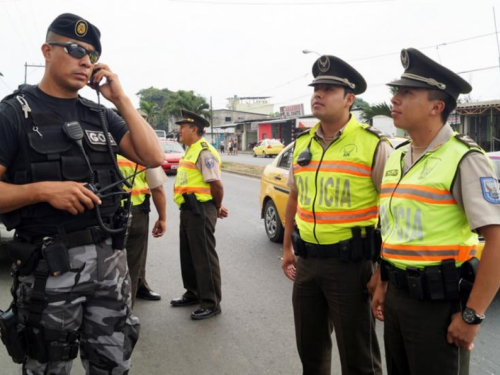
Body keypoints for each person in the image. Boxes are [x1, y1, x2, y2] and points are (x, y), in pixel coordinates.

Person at [0, 13, 164, 374]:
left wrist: (120, 98)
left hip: (110, 267)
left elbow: (153, 155)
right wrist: (42, 191)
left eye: (91, 54)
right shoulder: (14, 114)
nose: (86, 60)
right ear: (46, 50)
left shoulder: (101, 116)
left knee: (113, 365)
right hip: (50, 270)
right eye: (75, 49)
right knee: (47, 367)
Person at [371, 48, 500, 375]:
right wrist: (383, 282)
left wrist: (472, 316)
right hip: (398, 298)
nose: (395, 99)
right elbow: (391, 231)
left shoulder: (464, 158)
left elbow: (497, 243)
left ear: (436, 106)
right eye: (396, 91)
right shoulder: (398, 157)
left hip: (438, 308)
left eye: (406, 92)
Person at [281, 55, 392, 375]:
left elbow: (391, 211)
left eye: (328, 89)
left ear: (349, 99)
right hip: (307, 265)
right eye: (316, 88)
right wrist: (287, 249)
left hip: (352, 268)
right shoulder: (303, 144)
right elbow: (294, 197)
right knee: (310, 352)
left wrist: (381, 271)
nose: (318, 94)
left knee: (358, 356)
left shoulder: (372, 145)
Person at [170, 109, 228, 320]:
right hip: (188, 209)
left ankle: (211, 302)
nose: (179, 131)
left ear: (194, 129)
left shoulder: (204, 151)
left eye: (183, 128)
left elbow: (216, 184)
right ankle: (193, 292)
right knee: (188, 255)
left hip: (200, 210)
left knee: (203, 256)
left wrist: (217, 205)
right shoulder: (190, 150)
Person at [117, 155, 167, 307]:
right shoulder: (141, 148)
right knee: (132, 263)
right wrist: (162, 218)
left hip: (102, 213)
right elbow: (157, 188)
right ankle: (125, 314)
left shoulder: (98, 143)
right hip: (135, 212)